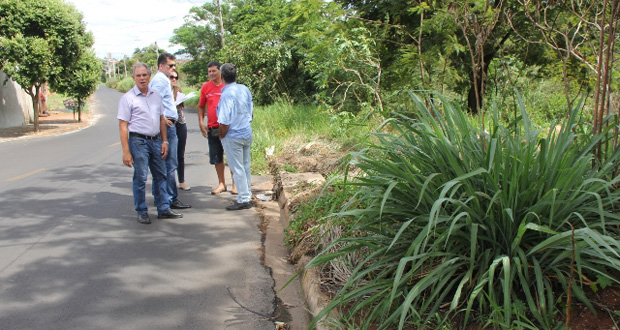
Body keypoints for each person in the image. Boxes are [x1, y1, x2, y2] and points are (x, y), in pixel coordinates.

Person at [117, 62, 183, 224]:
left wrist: (165, 141)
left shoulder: (156, 95)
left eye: (144, 75)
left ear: (149, 76)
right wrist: (126, 151)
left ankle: (163, 208)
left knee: (161, 175)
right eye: (138, 75)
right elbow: (123, 125)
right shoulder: (128, 98)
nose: (142, 78)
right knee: (140, 177)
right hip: (138, 141)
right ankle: (141, 210)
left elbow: (161, 119)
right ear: (133, 78)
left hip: (156, 141)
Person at [149, 53, 191, 210]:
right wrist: (163, 119)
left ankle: (162, 197)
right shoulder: (159, 81)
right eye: (170, 66)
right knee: (169, 164)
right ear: (161, 66)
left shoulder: (163, 81)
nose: (173, 68)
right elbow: (153, 102)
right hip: (166, 126)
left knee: (165, 163)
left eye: (174, 66)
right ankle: (169, 198)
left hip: (169, 124)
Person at [217, 63, 254, 210]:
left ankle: (244, 198)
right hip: (246, 132)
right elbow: (251, 111)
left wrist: (221, 136)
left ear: (221, 76)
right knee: (245, 166)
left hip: (233, 135)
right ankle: (246, 195)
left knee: (237, 167)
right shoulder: (244, 89)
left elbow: (224, 121)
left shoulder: (227, 94)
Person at [198, 61, 237, 195]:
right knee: (216, 156)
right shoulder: (205, 88)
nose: (211, 74)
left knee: (231, 155)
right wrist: (201, 122)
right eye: (209, 71)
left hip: (228, 127)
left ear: (220, 71)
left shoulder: (227, 87)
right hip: (213, 127)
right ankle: (221, 183)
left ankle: (235, 184)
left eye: (214, 71)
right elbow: (201, 106)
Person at [171, 70, 190, 191]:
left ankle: (181, 181)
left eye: (175, 77)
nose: (173, 79)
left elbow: (181, 107)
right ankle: (170, 182)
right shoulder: (161, 91)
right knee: (169, 154)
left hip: (180, 122)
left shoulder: (178, 90)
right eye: (171, 77)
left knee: (180, 153)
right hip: (169, 123)